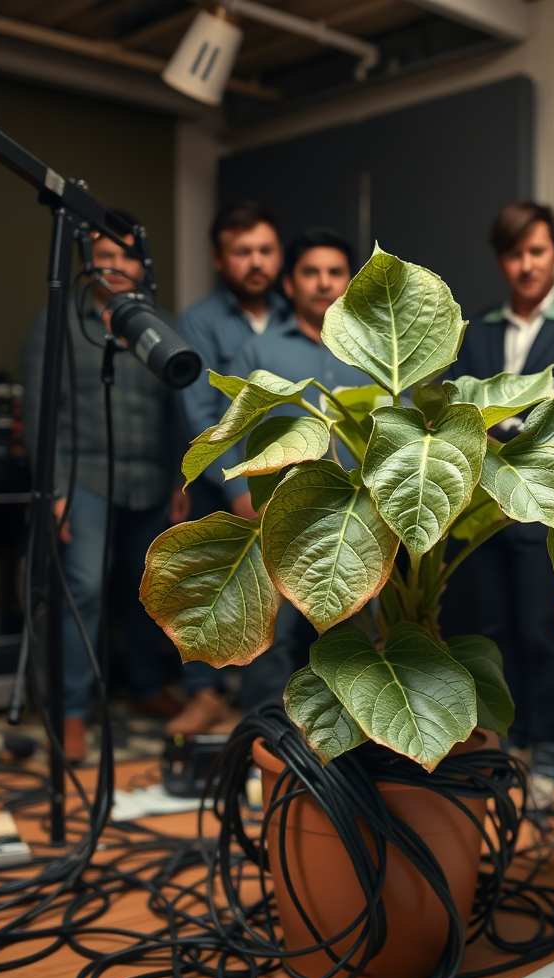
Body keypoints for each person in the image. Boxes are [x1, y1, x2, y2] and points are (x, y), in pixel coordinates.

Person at [445, 201, 554, 804]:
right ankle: (508, 740)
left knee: (544, 631)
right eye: (514, 254)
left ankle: (549, 745)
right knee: (490, 629)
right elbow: (462, 407)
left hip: (545, 506)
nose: (526, 265)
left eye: (537, 251)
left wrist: (506, 429)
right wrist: (511, 427)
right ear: (500, 260)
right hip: (482, 508)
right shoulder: (477, 331)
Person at [21, 214, 190, 764]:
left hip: (151, 480)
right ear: (86, 262)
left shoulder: (159, 325)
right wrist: (54, 491)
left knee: (150, 589)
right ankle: (71, 710)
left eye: (127, 255)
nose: (116, 265)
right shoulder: (56, 322)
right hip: (84, 478)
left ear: (143, 264)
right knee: (86, 589)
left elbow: (177, 412)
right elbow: (40, 413)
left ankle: (144, 688)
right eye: (104, 255)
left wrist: (181, 479)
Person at [219, 227, 372, 712]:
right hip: (279, 522)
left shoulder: (375, 354)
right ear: (290, 283)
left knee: (354, 645)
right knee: (272, 641)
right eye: (311, 272)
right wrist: (239, 496)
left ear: (350, 281)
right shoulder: (259, 353)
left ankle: (346, 750)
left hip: (361, 524)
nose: (324, 282)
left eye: (335, 272)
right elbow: (227, 430)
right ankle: (265, 743)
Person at [169, 200, 288, 735]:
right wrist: (238, 485)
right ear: (219, 259)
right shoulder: (198, 320)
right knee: (207, 588)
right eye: (243, 252)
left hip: (284, 476)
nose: (255, 262)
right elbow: (199, 413)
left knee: (276, 597)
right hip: (222, 481)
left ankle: (274, 705)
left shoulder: (293, 311)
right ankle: (206, 694)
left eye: (265, 250)